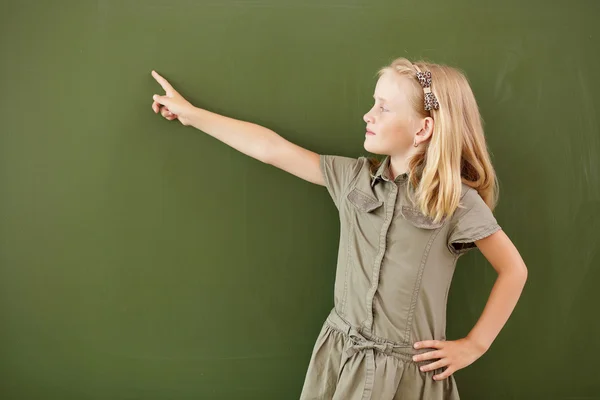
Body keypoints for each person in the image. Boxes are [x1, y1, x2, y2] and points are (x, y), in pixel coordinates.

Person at [150, 57, 528, 400]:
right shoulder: (353, 180)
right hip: (340, 361)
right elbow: (271, 148)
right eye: (372, 103)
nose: (368, 115)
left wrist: (474, 345)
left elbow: (513, 270)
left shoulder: (455, 201)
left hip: (408, 378)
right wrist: (191, 114)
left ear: (423, 128)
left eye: (383, 107)